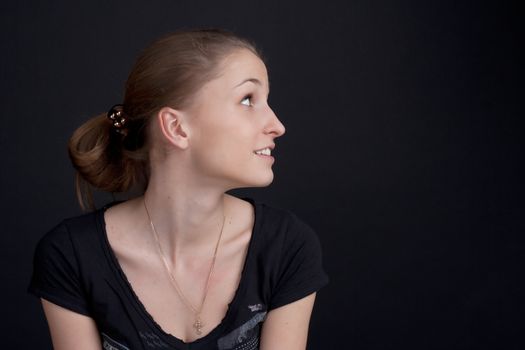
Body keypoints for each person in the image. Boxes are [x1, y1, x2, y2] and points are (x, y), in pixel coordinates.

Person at [28, 28, 328, 350]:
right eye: (247, 99)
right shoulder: (71, 256)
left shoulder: (287, 247)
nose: (277, 125)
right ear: (176, 127)